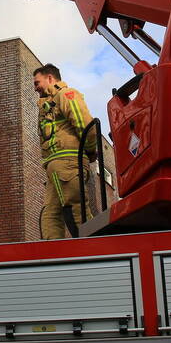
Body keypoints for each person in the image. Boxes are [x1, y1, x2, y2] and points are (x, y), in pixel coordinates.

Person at [33, 64, 97, 239]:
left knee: (60, 210)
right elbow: (86, 126)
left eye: (37, 83)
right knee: (67, 209)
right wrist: (91, 152)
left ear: (50, 78)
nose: (35, 88)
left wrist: (90, 150)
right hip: (63, 165)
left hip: (60, 165)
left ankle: (61, 254)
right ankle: (85, 251)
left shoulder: (64, 95)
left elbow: (84, 125)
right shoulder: (57, 99)